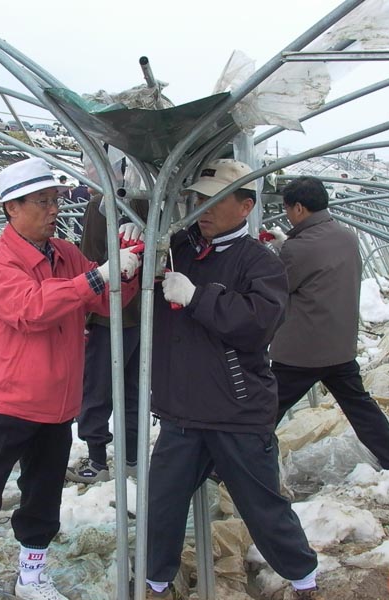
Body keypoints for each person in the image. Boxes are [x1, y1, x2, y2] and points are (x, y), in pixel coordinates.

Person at [0, 157, 141, 600]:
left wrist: (127, 258)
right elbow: (32, 309)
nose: (53, 209)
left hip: (57, 405)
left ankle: (32, 575)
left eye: (55, 200)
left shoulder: (64, 254)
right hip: (6, 403)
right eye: (41, 202)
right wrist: (97, 276)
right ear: (11, 208)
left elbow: (105, 302)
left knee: (43, 496)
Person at [147, 159, 321, 600]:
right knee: (162, 503)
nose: (202, 209)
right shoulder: (179, 249)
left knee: (261, 504)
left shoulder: (260, 261)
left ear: (245, 206)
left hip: (236, 409)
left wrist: (196, 297)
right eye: (198, 199)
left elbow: (257, 324)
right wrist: (142, 262)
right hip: (182, 407)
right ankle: (155, 582)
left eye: (215, 200)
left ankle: (304, 579)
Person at [269, 176, 389, 478]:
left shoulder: (298, 248)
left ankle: (226, 466)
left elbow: (280, 284)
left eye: (288, 208)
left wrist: (276, 252)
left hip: (301, 352)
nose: (287, 215)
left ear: (300, 208)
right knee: (361, 409)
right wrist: (286, 247)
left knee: (264, 409)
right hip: (340, 346)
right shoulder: (346, 236)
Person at [66, 188, 146, 483]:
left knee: (97, 390)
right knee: (133, 388)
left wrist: (84, 314)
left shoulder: (101, 203)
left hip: (107, 314)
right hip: (141, 314)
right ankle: (132, 459)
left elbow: (90, 259)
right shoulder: (151, 199)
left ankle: (97, 460)